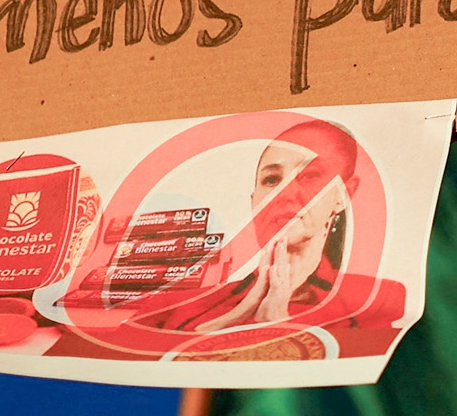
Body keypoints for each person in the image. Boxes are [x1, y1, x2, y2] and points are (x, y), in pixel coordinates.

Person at [141, 118, 404, 335]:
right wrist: (233, 317)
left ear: (343, 194)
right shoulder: (171, 307)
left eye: (310, 175)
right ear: (253, 200)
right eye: (271, 179)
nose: (284, 193)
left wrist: (278, 325)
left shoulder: (374, 301)